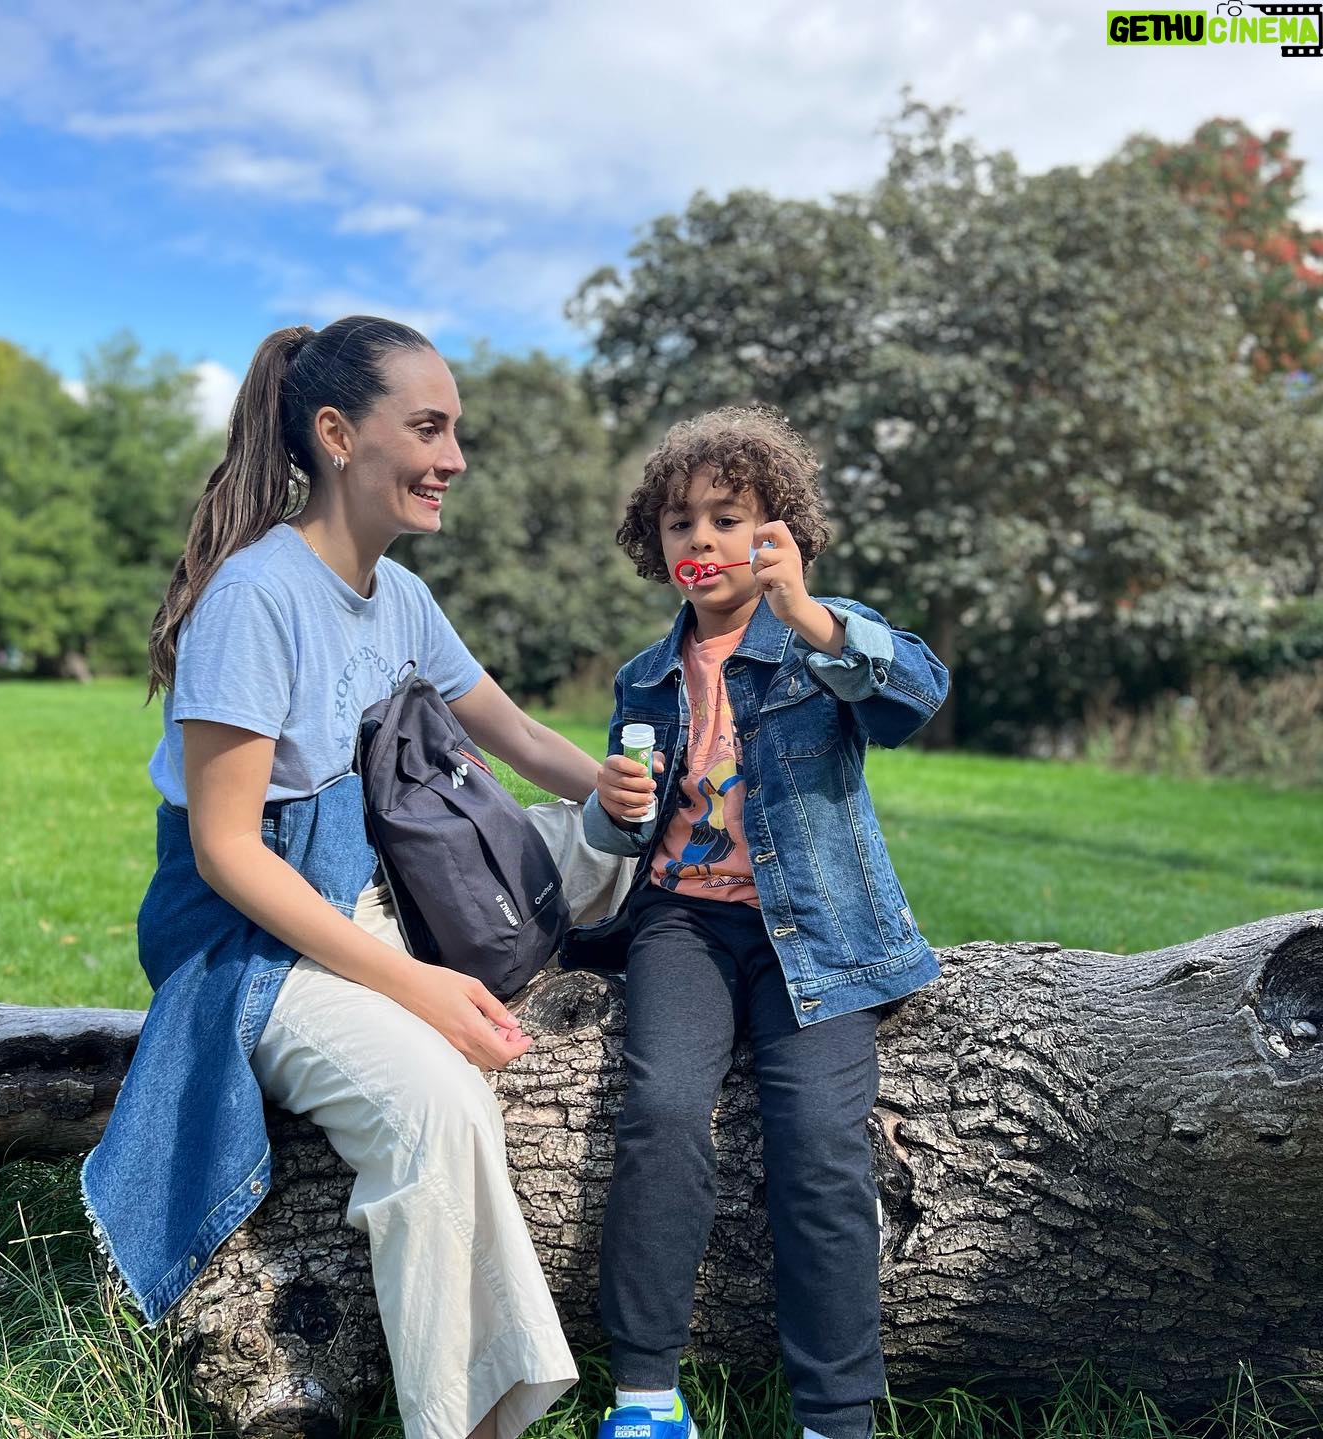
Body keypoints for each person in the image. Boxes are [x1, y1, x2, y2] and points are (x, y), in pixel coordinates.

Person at [81, 317, 601, 1439]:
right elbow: (226, 853)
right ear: (336, 434)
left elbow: (512, 731)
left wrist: (623, 791)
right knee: (432, 1103)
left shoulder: (399, 596)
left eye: (454, 430)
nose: (455, 457)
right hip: (252, 939)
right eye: (429, 427)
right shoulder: (254, 599)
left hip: (372, 892)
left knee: (599, 861)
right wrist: (420, 987)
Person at [566, 407, 950, 1439]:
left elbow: (915, 697)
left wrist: (810, 614)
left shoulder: (820, 640)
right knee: (660, 1111)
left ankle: (835, 1415)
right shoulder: (645, 676)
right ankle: (646, 1396)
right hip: (682, 926)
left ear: (777, 530)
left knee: (820, 1143)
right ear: (655, 541)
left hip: (816, 935)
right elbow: (625, 826)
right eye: (679, 521)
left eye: (726, 517)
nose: (700, 538)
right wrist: (612, 805)